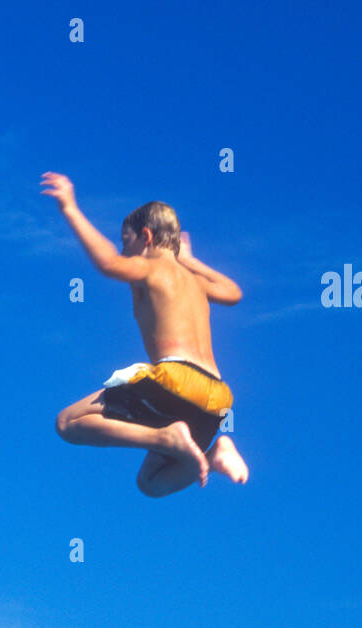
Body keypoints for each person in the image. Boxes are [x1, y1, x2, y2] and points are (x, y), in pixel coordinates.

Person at [43, 172, 249, 496]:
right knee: (150, 483)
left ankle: (164, 436)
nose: (125, 252)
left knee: (67, 423)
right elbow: (233, 292)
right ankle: (215, 454)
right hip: (216, 400)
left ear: (146, 237)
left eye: (126, 242)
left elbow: (108, 263)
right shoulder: (195, 281)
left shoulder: (151, 267)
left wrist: (70, 208)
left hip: (176, 380)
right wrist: (191, 261)